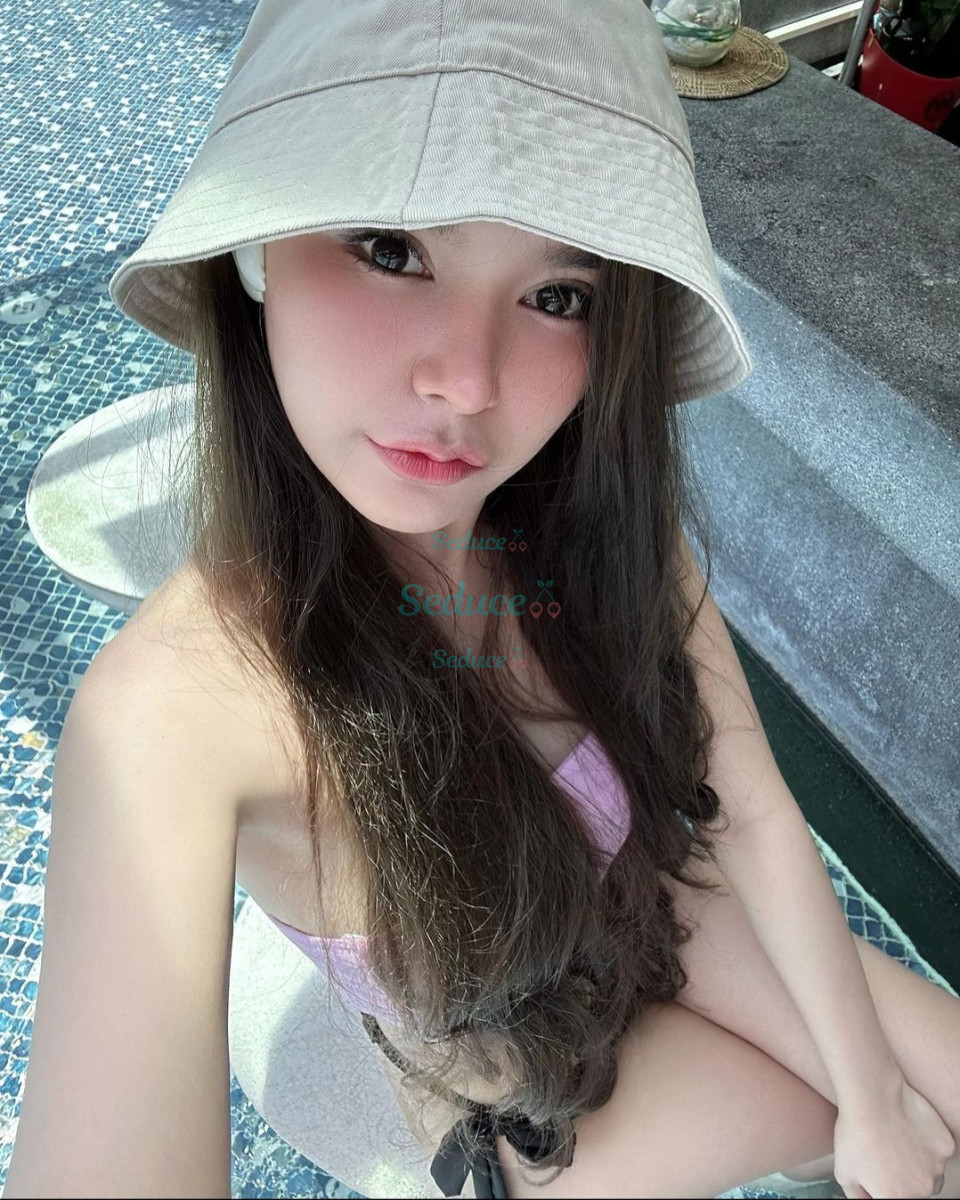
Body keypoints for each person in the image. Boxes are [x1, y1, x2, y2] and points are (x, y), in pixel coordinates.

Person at [7, 2, 960, 1198]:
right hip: (525, 1086)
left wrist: (875, 1098)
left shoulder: (586, 534)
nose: (468, 380)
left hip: (658, 912)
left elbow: (754, 811)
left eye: (558, 295)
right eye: (390, 247)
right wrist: (856, 1112)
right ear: (255, 251)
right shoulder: (180, 709)